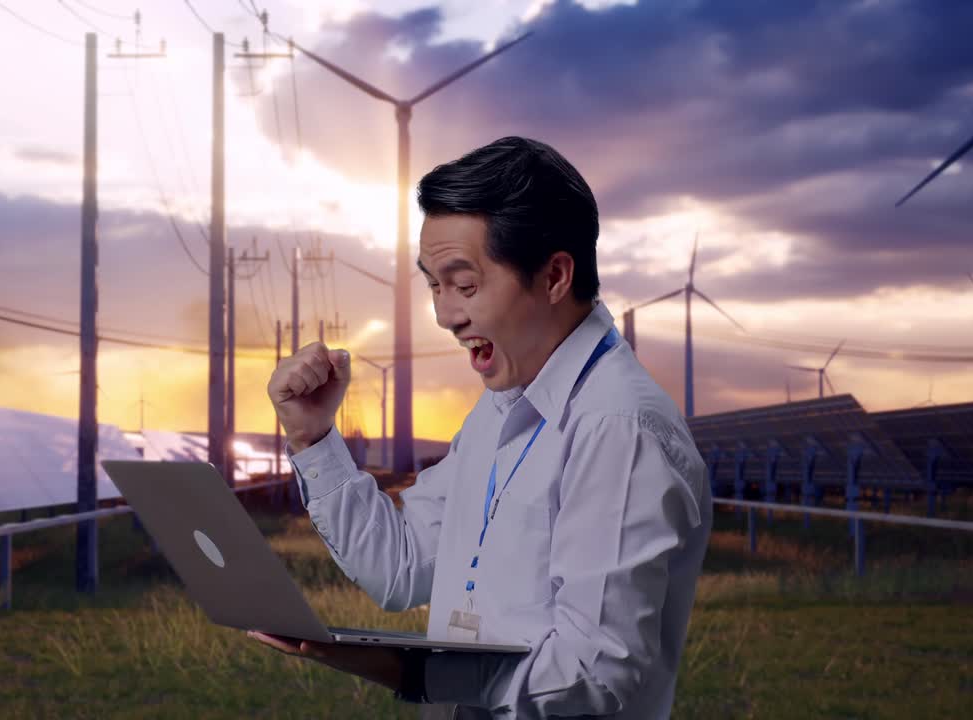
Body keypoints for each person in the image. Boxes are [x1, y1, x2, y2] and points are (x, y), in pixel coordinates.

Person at [250, 136, 712, 719]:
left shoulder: (619, 428)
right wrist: (314, 439)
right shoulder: (500, 410)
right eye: (434, 285)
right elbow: (400, 567)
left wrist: (407, 670)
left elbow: (596, 672)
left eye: (465, 285)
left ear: (554, 277)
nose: (446, 316)